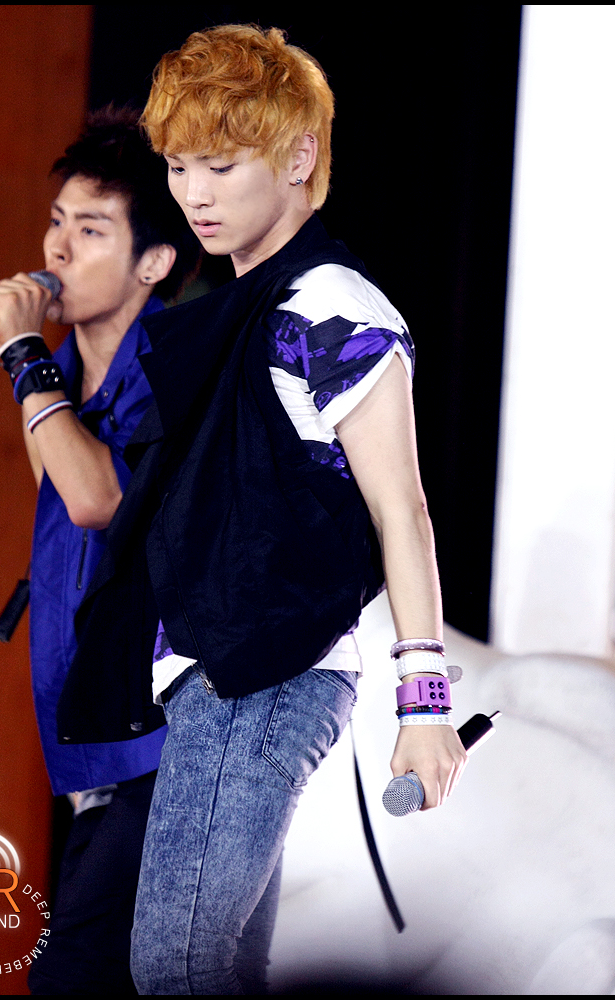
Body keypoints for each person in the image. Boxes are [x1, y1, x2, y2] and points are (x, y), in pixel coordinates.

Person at [61, 25, 469, 995]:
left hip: (264, 674)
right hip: (217, 675)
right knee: (215, 968)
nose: (194, 193)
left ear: (296, 158)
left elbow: (401, 506)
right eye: (179, 166)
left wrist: (425, 702)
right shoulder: (243, 307)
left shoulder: (331, 305)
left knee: (176, 966)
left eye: (221, 165)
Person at [0, 105, 198, 995]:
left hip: (163, 743)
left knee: (72, 975)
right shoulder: (65, 376)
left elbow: (97, 498)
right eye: (57, 221)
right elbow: (63, 496)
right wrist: (40, 368)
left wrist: (25, 356)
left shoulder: (172, 368)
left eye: (92, 229)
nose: (57, 250)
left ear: (154, 262)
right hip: (94, 745)